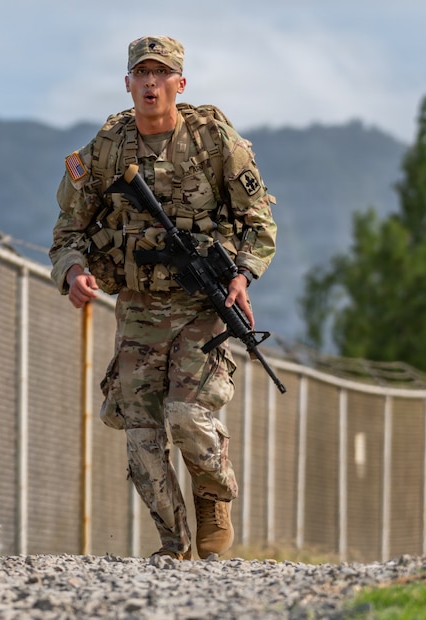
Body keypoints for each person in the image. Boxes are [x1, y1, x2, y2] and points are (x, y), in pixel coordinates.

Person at [49, 35, 277, 560]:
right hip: (138, 306)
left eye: (161, 73)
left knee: (187, 415)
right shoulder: (106, 149)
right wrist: (74, 271)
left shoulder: (215, 141)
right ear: (128, 83)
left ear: (181, 83)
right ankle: (172, 543)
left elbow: (258, 221)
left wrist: (242, 276)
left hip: (201, 305)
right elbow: (68, 230)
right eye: (141, 74)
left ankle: (213, 503)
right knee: (142, 434)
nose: (151, 83)